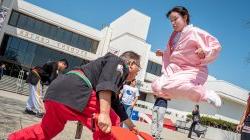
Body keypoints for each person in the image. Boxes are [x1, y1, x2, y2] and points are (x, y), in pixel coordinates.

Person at [9, 51, 141, 140]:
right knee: (111, 122)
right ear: (131, 64)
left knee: (48, 129)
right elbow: (106, 85)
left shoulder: (116, 75)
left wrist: (131, 126)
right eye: (138, 68)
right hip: (76, 90)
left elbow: (116, 104)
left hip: (55, 93)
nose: (137, 73)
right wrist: (104, 114)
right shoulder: (118, 62)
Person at [151, 6, 222, 107]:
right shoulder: (173, 36)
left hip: (194, 69)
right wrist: (163, 54)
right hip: (176, 69)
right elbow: (174, 54)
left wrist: (205, 52)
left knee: (170, 86)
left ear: (185, 17)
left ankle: (206, 94)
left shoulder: (194, 31)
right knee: (156, 86)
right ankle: (174, 91)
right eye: (171, 21)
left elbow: (216, 46)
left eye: (175, 19)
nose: (173, 23)